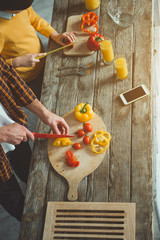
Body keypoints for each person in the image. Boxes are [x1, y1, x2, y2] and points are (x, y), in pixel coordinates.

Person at [0, 54, 69, 221]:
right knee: (9, 194)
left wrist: (46, 114)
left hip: (14, 127)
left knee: (27, 167)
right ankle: (33, 221)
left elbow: (8, 74)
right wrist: (1, 133)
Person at [0, 0, 76, 98]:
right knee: (45, 96)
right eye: (20, 10)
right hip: (26, 78)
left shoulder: (20, 7)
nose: (25, 10)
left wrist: (54, 34)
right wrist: (16, 62)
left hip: (43, 60)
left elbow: (35, 19)